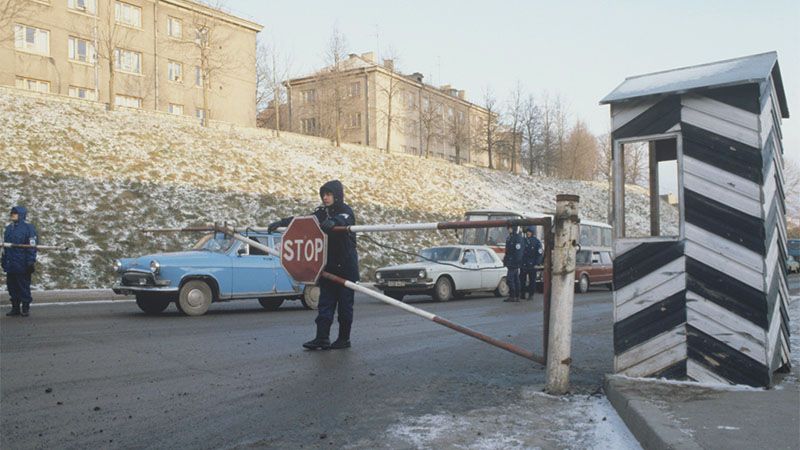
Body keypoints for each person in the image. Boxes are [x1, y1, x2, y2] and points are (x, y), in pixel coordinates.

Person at [268, 180, 358, 350]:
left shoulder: (346, 211)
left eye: (329, 194)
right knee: (325, 305)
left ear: (337, 195)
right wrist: (282, 223)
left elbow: (345, 219)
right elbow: (302, 222)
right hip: (327, 268)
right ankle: (321, 338)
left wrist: (335, 222)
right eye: (323, 194)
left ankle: (344, 339)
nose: (325, 198)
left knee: (345, 308)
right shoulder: (320, 213)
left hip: (346, 269)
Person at [3, 206, 37, 317]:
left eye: (15, 213)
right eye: (11, 213)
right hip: (11, 264)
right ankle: (15, 307)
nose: (12, 215)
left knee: (23, 286)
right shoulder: (9, 228)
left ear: (21, 215)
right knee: (12, 286)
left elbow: (32, 246)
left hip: (22, 264)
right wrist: (3, 260)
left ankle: (25, 307)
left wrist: (30, 262)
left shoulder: (28, 228)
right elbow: (5, 246)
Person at [520, 225, 543, 301]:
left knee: (532, 280)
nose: (528, 233)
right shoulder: (523, 240)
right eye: (527, 232)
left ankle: (531, 295)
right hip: (524, 263)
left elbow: (539, 253)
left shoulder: (536, 242)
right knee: (522, 280)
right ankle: (522, 294)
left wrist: (537, 263)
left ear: (532, 232)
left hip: (532, 264)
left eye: (529, 232)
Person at [502, 224, 524, 303]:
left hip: (514, 262)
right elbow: (507, 251)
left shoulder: (517, 238)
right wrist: (505, 260)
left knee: (509, 280)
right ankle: (516, 296)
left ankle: (513, 295)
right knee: (515, 279)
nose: (508, 230)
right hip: (510, 261)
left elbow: (518, 252)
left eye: (510, 228)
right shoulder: (509, 238)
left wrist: (517, 262)